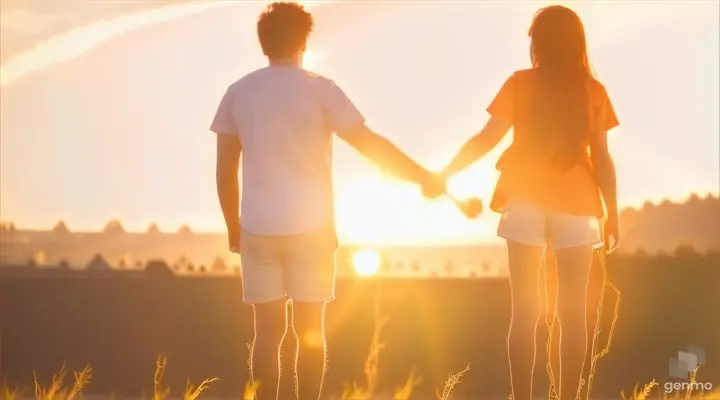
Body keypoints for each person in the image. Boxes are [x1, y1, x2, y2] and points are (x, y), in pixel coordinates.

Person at [210, 3, 444, 399]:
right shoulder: (322, 89)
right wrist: (422, 176)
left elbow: (224, 172)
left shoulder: (237, 93)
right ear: (304, 40)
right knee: (310, 331)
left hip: (257, 228)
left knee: (266, 333)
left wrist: (234, 227)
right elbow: (371, 146)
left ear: (262, 43)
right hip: (312, 228)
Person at [437, 6, 620, 400]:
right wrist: (613, 216)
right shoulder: (594, 91)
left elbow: (486, 139)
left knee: (524, 312)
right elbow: (603, 159)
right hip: (577, 205)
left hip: (523, 200)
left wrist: (445, 174)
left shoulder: (519, 84)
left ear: (538, 41)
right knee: (573, 316)